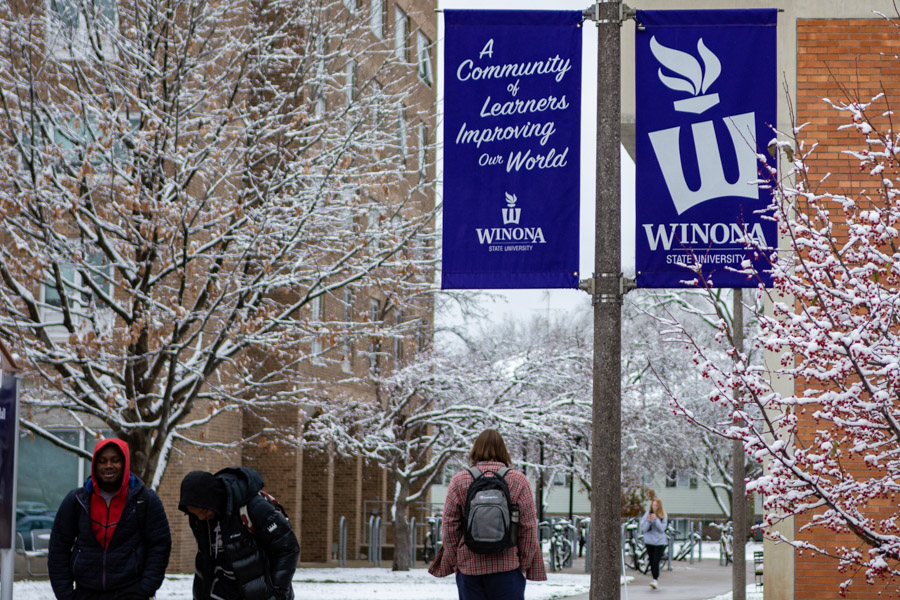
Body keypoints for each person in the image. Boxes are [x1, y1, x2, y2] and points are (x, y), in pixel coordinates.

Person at [428, 429, 546, 600]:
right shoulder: (518, 480)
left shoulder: (459, 480)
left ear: (475, 450)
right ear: (503, 451)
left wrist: (456, 562)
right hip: (508, 567)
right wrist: (523, 565)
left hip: (469, 568)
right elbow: (528, 527)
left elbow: (449, 527)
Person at [48, 438, 172, 600]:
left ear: (125, 463)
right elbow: (59, 548)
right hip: (86, 592)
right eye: (102, 461)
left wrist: (146, 589)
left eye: (115, 460)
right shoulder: (76, 500)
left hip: (131, 591)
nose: (108, 466)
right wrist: (65, 594)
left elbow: (159, 546)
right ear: (95, 465)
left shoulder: (145, 500)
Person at [179, 467, 299, 600]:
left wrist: (277, 591)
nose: (200, 517)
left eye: (203, 511)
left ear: (212, 499)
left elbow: (288, 547)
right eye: (194, 513)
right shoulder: (198, 519)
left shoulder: (254, 507)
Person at [640, 497, 668, 589]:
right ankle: (654, 578)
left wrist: (656, 520)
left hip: (659, 542)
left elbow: (662, 529)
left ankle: (655, 579)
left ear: (659, 506)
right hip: (649, 541)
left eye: (656, 505)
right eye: (653, 505)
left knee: (656, 560)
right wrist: (648, 521)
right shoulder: (647, 514)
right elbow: (643, 528)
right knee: (651, 561)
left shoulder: (663, 515)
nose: (654, 507)